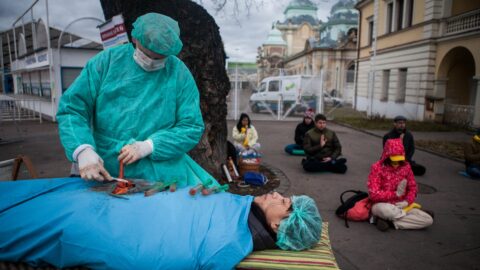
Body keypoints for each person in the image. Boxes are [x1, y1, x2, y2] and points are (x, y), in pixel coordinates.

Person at [0, 177, 322, 268]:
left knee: (58, 216)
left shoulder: (230, 244)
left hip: (118, 229)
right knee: (67, 190)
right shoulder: (239, 205)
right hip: (133, 201)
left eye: (287, 206)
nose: (280, 195)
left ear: (280, 228)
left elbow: (170, 251)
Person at [56, 13, 217, 188]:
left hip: (161, 170)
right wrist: (83, 149)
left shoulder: (179, 73)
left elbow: (191, 126)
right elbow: (72, 108)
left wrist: (150, 145)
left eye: (159, 58)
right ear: (134, 38)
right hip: (105, 167)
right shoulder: (106, 62)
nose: (151, 62)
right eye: (147, 54)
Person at [368, 138, 433, 231]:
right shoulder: (377, 168)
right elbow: (373, 194)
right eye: (394, 160)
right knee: (387, 212)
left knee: (428, 220)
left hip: (402, 205)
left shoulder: (406, 167)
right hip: (382, 205)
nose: (397, 164)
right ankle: (397, 217)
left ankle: (390, 222)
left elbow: (413, 188)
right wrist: (395, 194)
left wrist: (407, 201)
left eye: (399, 160)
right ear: (387, 156)